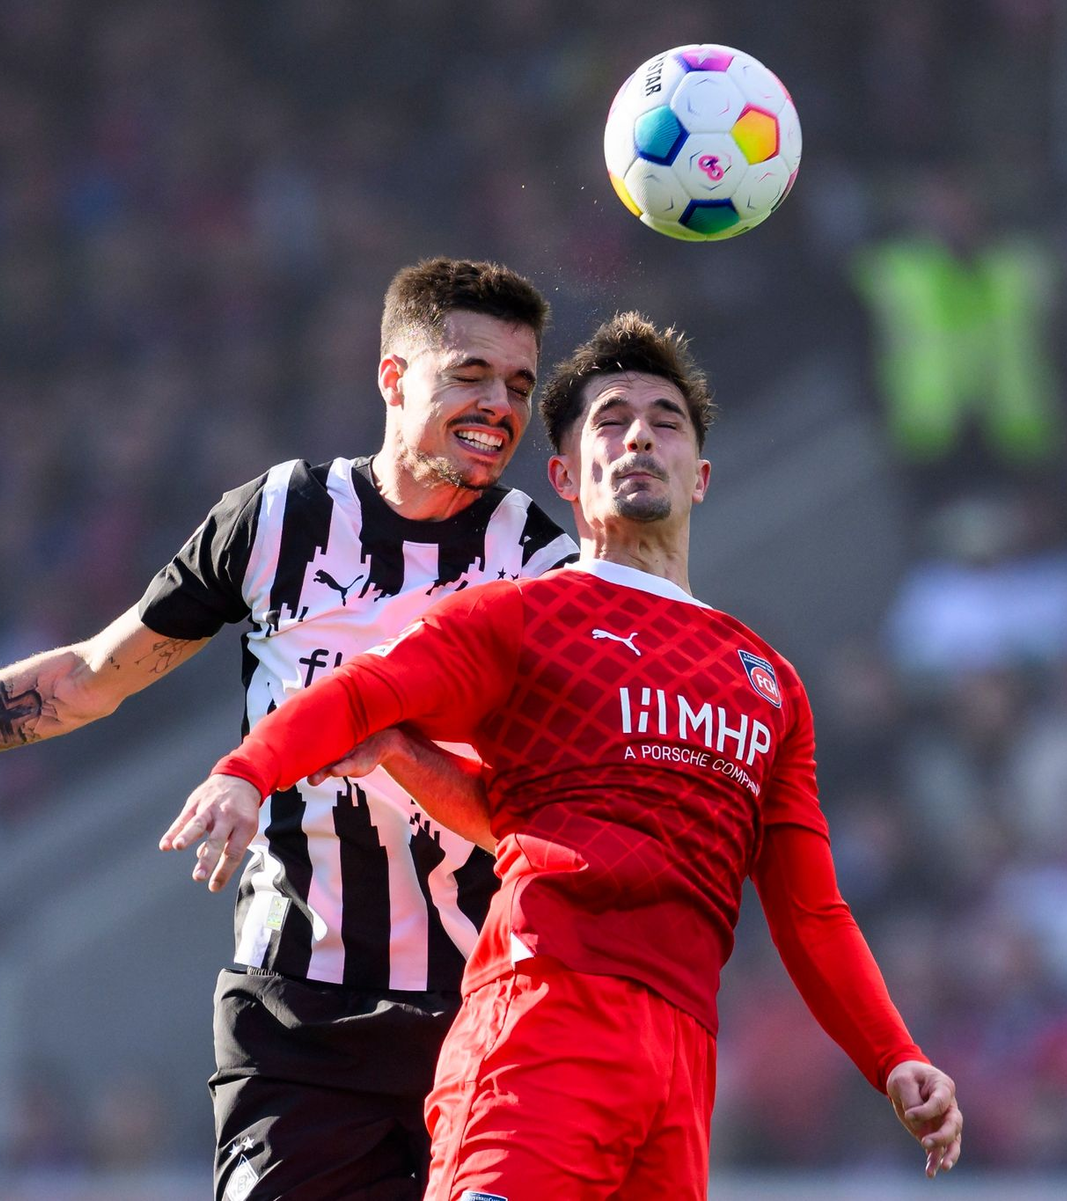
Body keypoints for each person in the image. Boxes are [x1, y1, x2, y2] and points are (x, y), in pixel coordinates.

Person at [167, 312, 964, 1199]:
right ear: (567, 477)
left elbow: (810, 910)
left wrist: (894, 1054)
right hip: (543, 1018)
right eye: (610, 422)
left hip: (682, 1062)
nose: (638, 439)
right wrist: (246, 771)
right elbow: (361, 691)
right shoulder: (523, 616)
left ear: (699, 475)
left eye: (665, 422)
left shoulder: (771, 682)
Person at [0, 257, 578, 1201]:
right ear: (392, 377)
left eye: (518, 383)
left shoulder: (544, 564)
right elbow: (94, 679)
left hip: (482, 1010)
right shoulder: (278, 518)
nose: (499, 404)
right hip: (295, 1012)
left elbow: (552, 817)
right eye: (469, 373)